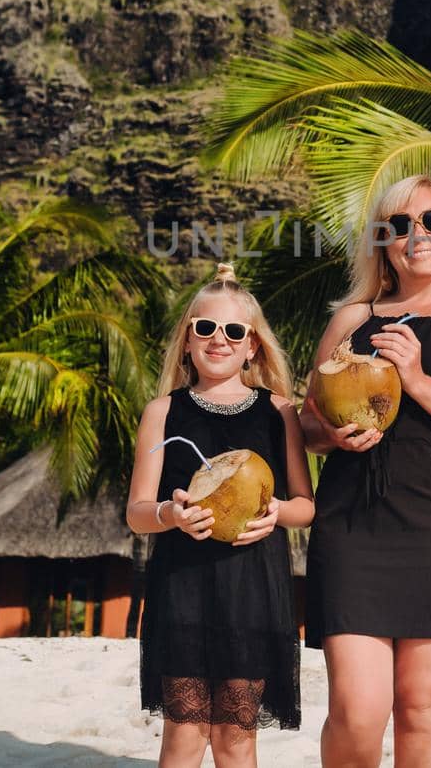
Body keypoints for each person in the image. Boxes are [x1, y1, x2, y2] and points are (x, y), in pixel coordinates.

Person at [302, 173, 431, 768]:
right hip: (353, 527)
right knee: (355, 709)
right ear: (381, 243)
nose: (416, 234)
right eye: (398, 225)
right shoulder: (351, 320)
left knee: (425, 706)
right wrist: (335, 436)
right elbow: (307, 425)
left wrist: (417, 380)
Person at [126, 262, 315, 768]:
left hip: (253, 589)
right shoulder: (162, 412)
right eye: (205, 328)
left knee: (235, 739)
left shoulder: (279, 411)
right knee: (184, 737)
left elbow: (306, 505)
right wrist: (170, 514)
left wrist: (276, 513)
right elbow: (137, 511)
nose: (219, 340)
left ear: (253, 345)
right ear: (187, 338)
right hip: (182, 589)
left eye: (235, 331)